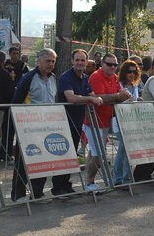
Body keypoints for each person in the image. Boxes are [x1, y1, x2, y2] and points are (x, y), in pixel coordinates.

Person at [10, 48, 59, 202]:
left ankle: (37, 193)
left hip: (47, 127)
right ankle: (17, 195)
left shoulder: (53, 78)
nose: (50, 64)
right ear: (39, 60)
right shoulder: (29, 78)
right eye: (47, 61)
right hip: (28, 127)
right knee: (23, 161)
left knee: (43, 161)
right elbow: (16, 102)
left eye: (53, 61)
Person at [55, 49, 103, 196]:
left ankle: (66, 186)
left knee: (71, 156)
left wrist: (98, 98)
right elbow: (71, 98)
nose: (80, 63)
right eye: (77, 60)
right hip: (63, 122)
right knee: (62, 156)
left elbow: (93, 95)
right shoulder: (66, 77)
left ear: (87, 62)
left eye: (83, 60)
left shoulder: (85, 78)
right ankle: (58, 189)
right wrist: (91, 99)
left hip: (77, 122)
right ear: (72, 61)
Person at [83, 54, 132, 192]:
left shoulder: (115, 78)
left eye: (115, 65)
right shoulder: (96, 76)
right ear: (102, 64)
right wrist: (118, 96)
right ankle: (90, 183)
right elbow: (97, 97)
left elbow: (116, 98)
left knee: (95, 153)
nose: (112, 67)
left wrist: (125, 96)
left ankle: (89, 182)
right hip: (92, 121)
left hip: (105, 122)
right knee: (98, 153)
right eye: (109, 64)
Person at [112, 60, 142, 186]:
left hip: (131, 122)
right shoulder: (119, 84)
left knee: (124, 150)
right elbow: (116, 101)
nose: (132, 74)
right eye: (129, 72)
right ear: (124, 72)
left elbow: (133, 101)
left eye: (134, 72)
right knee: (124, 149)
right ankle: (123, 179)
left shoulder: (134, 86)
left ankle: (121, 179)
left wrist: (137, 99)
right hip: (119, 121)